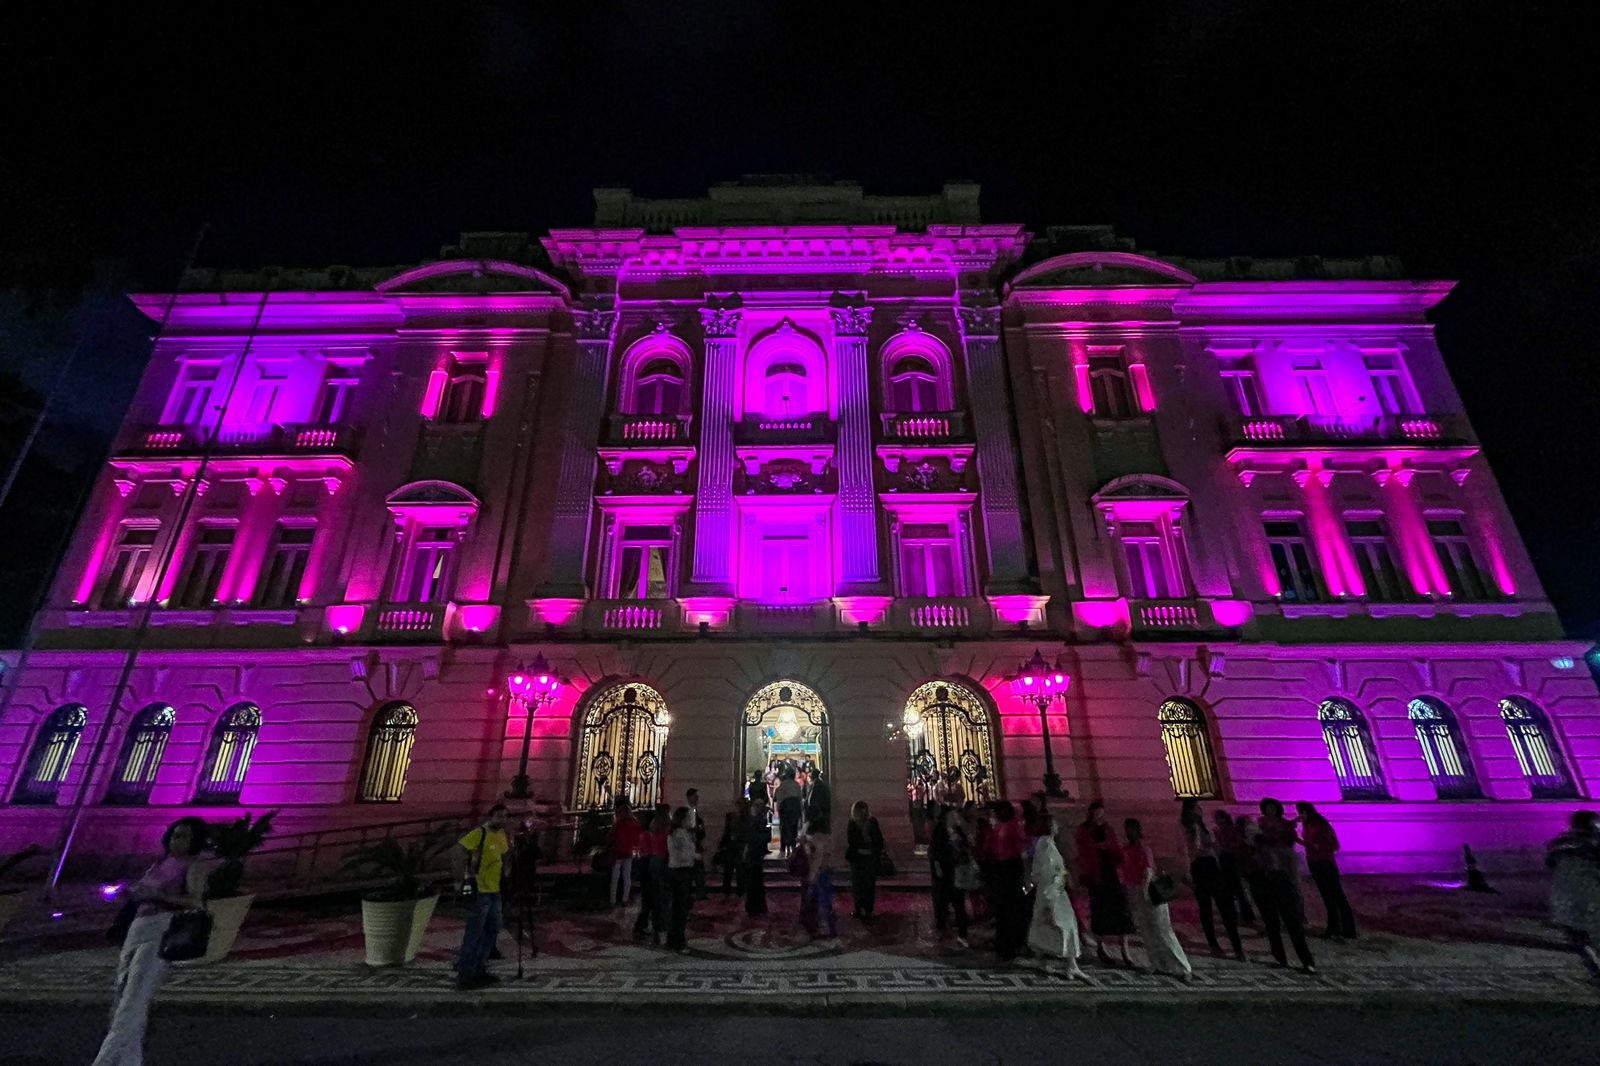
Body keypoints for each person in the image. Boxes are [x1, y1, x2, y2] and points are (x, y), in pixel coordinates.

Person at [92, 816, 211, 1066]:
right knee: (122, 995)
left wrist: (157, 895)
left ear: (195, 841)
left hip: (161, 929)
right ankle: (128, 1061)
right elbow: (144, 890)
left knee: (133, 1000)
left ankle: (105, 1061)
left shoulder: (193, 865)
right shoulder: (161, 862)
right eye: (175, 834)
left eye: (184, 836)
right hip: (138, 927)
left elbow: (195, 902)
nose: (177, 840)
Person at [1119, 817, 1191, 979]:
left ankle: (1183, 967)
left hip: (1149, 890)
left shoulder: (1143, 848)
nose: (1128, 832)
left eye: (1130, 829)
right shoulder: (1127, 849)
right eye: (1126, 829)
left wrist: (1144, 891)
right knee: (1146, 930)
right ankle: (1156, 963)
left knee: (1162, 929)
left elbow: (1148, 870)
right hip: (1136, 889)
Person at [1253, 798, 1316, 973]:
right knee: (1273, 924)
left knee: (1293, 925)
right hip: (1269, 882)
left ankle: (1306, 961)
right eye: (1268, 808)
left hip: (1282, 879)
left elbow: (1290, 838)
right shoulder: (1262, 828)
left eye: (1273, 808)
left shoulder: (1280, 833)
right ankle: (1282, 958)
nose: (1271, 811)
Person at [453, 803, 511, 990]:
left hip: (495, 891)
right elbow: (458, 851)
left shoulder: (502, 835)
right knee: (474, 934)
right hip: (480, 891)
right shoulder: (480, 833)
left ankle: (479, 969)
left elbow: (504, 856)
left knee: (491, 931)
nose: (501, 819)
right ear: (491, 816)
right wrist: (459, 879)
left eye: (504, 816)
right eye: (498, 816)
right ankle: (465, 974)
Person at [1181, 798, 1244, 959]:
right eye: (1195, 808)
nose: (1198, 811)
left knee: (1225, 906)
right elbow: (1192, 849)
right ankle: (1213, 945)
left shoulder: (1204, 825)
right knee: (1205, 908)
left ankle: (1237, 947)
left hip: (1213, 865)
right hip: (1200, 866)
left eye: (1198, 808)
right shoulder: (1188, 828)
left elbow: (1213, 845)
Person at [1027, 813, 1086, 980]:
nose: (1057, 826)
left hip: (1051, 891)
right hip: (1053, 892)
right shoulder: (1046, 844)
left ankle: (1043, 959)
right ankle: (1071, 964)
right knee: (1066, 925)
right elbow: (1048, 870)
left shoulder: (1045, 843)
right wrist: (1060, 882)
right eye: (1054, 823)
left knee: (1046, 925)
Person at [1074, 802, 1133, 966]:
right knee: (1100, 911)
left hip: (1113, 873)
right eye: (1097, 814)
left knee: (1122, 911)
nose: (1100, 817)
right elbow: (1083, 852)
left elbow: (1117, 848)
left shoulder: (1108, 829)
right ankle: (1101, 946)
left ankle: (1125, 949)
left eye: (1102, 814)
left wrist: (1111, 849)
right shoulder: (1084, 830)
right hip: (1097, 876)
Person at [1548, 810, 1600, 980]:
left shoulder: (1558, 844)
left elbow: (1550, 864)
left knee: (1579, 939)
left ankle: (1594, 969)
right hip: (1592, 899)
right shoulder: (1594, 844)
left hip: (1563, 900)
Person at [1296, 802, 1356, 941]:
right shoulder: (1309, 825)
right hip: (1315, 862)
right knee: (1328, 896)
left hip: (1325, 863)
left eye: (1301, 812)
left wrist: (1315, 846)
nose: (1300, 815)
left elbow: (1333, 845)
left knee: (1335, 895)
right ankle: (1335, 927)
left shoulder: (1320, 825)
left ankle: (1346, 928)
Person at [987, 801, 1028, 961]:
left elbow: (1019, 850)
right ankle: (1004, 942)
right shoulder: (1001, 827)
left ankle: (1010, 943)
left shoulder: (1010, 827)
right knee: (1003, 909)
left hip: (1010, 868)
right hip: (1002, 868)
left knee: (1010, 908)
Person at [929, 805, 972, 946]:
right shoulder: (940, 830)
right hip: (945, 870)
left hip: (957, 870)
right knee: (942, 901)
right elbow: (934, 850)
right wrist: (937, 867)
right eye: (952, 815)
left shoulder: (959, 831)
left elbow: (967, 846)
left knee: (959, 903)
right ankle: (941, 927)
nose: (955, 817)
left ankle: (962, 933)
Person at [845, 800, 887, 920]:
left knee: (862, 884)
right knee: (864, 885)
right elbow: (878, 839)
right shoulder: (863, 822)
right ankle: (864, 909)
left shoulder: (859, 823)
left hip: (863, 858)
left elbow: (852, 840)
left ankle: (863, 908)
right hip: (864, 857)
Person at [632, 809, 669, 944]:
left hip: (647, 865)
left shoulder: (647, 834)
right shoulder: (653, 835)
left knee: (648, 900)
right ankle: (649, 926)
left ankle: (644, 925)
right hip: (651, 866)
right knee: (653, 900)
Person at [1214, 809, 1256, 924]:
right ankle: (1238, 913)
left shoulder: (1231, 830)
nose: (1218, 821)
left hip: (1233, 860)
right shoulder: (1219, 831)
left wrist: (1225, 846)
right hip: (1225, 860)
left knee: (1239, 889)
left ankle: (1247, 915)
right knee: (1231, 889)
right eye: (1216, 819)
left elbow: (1237, 844)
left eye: (1220, 818)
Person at [800, 816, 838, 938]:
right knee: (825, 900)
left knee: (818, 900)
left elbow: (816, 860)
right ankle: (830, 927)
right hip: (826, 871)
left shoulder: (813, 840)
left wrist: (812, 876)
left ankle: (821, 927)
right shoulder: (828, 838)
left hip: (817, 873)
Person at [666, 806, 697, 951]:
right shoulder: (678, 835)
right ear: (683, 819)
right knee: (680, 908)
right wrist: (694, 856)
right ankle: (677, 941)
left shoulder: (683, 833)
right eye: (689, 818)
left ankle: (676, 939)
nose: (691, 820)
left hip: (681, 870)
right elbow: (679, 855)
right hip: (680, 871)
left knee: (680, 907)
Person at [609, 800, 640, 907]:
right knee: (627, 876)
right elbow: (636, 839)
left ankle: (612, 899)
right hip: (628, 852)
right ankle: (625, 899)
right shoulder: (634, 824)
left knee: (615, 877)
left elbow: (611, 836)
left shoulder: (617, 824)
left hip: (617, 852)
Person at [743, 799, 770, 917]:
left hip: (754, 853)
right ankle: (757, 906)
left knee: (754, 881)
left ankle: (754, 907)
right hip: (756, 853)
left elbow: (753, 837)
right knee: (756, 881)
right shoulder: (758, 820)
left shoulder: (756, 821)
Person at [775, 769, 804, 857]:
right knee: (794, 827)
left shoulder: (783, 785)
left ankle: (784, 846)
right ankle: (793, 845)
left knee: (784, 827)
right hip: (795, 807)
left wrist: (778, 809)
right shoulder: (796, 785)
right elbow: (800, 797)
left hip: (786, 807)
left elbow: (779, 798)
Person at [686, 788, 708, 898]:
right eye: (696, 796)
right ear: (690, 797)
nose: (697, 799)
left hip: (695, 842)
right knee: (694, 868)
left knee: (698, 868)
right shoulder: (687, 811)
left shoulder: (694, 809)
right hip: (690, 842)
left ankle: (700, 891)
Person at [714, 809, 743, 895]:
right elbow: (723, 843)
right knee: (728, 875)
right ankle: (728, 892)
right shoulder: (729, 832)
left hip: (735, 854)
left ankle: (738, 892)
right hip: (730, 855)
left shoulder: (738, 830)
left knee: (738, 875)